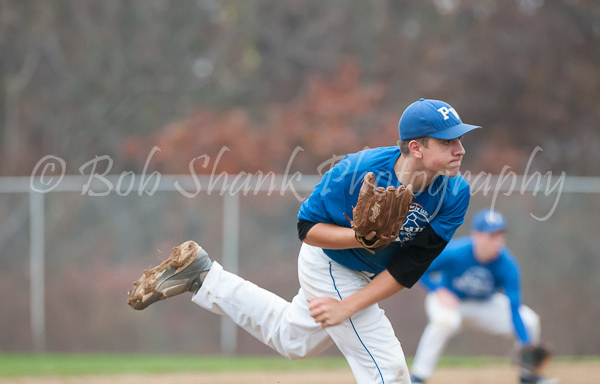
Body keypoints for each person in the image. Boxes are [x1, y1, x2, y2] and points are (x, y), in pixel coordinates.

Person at [127, 98, 480, 384]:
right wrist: (358, 238)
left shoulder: (454, 194)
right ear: (416, 147)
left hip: (366, 275)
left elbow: (408, 268)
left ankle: (204, 278)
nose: (460, 149)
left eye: (460, 139)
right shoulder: (358, 170)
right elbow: (306, 228)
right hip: (330, 261)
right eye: (448, 141)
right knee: (388, 371)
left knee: (293, 340)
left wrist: (350, 304)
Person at [410, 208, 558, 384]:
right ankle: (418, 376)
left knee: (530, 321)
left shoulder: (507, 265)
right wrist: (437, 290)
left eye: (500, 236)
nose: (498, 242)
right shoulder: (457, 251)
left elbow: (514, 308)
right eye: (491, 236)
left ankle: (528, 376)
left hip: (484, 304)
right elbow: (421, 267)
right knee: (445, 322)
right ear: (476, 235)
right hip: (450, 301)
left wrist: (526, 343)